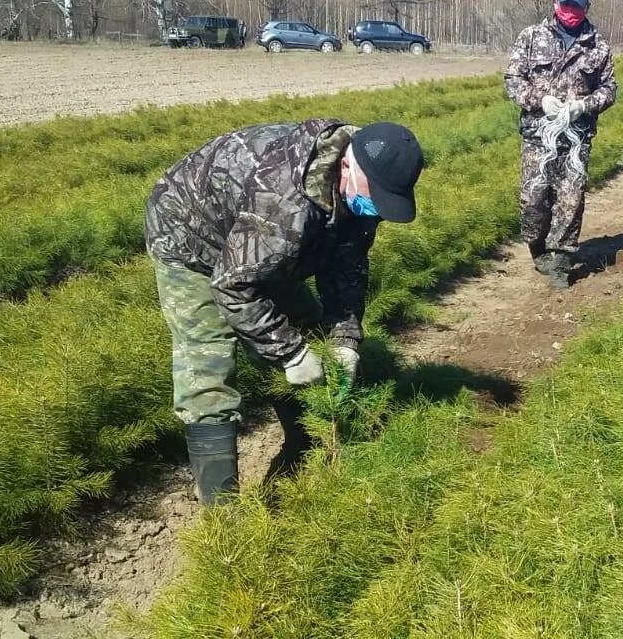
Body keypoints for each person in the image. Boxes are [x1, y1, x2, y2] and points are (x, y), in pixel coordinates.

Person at [144, 119, 424, 503]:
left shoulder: (356, 195)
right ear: (347, 166)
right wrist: (289, 354)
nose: (376, 208)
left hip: (258, 245)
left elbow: (347, 266)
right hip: (191, 238)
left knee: (308, 333)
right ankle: (224, 518)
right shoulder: (283, 201)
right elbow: (233, 285)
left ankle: (303, 445)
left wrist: (344, 338)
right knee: (208, 368)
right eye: (375, 196)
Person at [505, 0, 617, 288]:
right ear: (555, 4)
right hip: (538, 135)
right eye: (565, 5)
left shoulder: (598, 47)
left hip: (576, 138)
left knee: (571, 198)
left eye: (576, 6)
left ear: (586, 8)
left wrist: (584, 106)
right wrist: (539, 100)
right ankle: (537, 247)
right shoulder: (531, 37)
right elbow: (513, 79)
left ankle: (561, 260)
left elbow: (609, 90)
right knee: (534, 199)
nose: (570, 11)